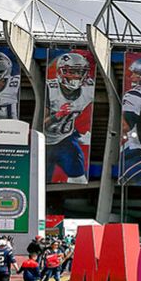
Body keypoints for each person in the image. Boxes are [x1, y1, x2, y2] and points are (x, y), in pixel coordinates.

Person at [45, 51, 93, 183]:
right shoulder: (50, 89)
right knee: (40, 183)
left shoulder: (88, 90)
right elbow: (40, 123)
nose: (76, 76)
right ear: (61, 72)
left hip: (64, 140)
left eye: (79, 72)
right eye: (71, 71)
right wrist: (57, 116)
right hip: (43, 142)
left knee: (80, 180)